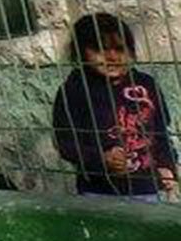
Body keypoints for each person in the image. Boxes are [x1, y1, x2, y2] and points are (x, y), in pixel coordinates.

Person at [51, 12, 177, 201]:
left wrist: (168, 165)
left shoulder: (146, 84)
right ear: (80, 51)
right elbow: (65, 142)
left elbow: (160, 132)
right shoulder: (74, 89)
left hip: (146, 188)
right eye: (100, 49)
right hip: (97, 191)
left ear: (131, 51)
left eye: (120, 49)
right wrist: (101, 158)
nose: (112, 56)